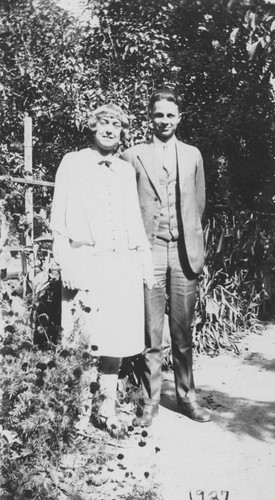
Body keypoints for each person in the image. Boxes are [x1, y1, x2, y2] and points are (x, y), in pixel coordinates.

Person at [50, 103, 155, 434]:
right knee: (82, 339)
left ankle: (106, 410)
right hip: (85, 261)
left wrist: (144, 261)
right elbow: (59, 218)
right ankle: (78, 412)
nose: (110, 130)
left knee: (115, 341)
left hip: (120, 263)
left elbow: (133, 221)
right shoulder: (74, 162)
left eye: (116, 125)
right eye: (104, 124)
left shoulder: (125, 169)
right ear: (92, 128)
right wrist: (64, 260)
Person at [122, 88, 211, 426]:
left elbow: (198, 205)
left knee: (183, 333)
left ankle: (187, 398)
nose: (164, 121)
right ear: (150, 117)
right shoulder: (133, 156)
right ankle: (150, 403)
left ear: (179, 118)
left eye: (170, 115)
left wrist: (187, 237)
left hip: (184, 251)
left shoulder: (192, 155)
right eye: (158, 114)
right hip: (150, 252)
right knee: (151, 334)